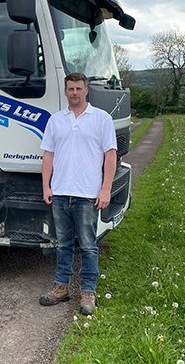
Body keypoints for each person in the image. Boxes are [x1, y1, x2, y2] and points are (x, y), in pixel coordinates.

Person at [39, 72, 117, 315]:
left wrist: (105, 189)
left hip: (87, 194)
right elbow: (48, 155)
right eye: (70, 89)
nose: (74, 93)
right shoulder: (56, 120)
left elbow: (110, 155)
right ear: (65, 91)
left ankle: (88, 293)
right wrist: (46, 186)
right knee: (62, 245)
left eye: (78, 89)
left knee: (88, 246)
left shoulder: (101, 119)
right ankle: (61, 288)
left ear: (86, 91)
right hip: (60, 192)